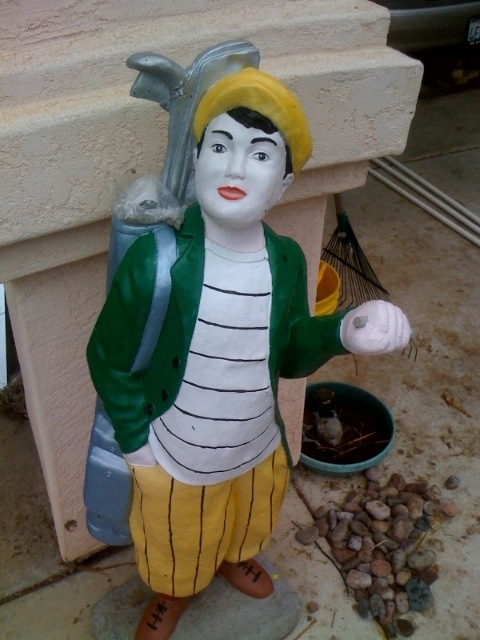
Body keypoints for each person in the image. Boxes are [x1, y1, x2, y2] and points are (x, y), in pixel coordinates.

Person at [87, 67, 411, 640]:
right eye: (220, 146)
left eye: (260, 155)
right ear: (196, 161)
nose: (235, 168)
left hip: (257, 442)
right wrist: (139, 449)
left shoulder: (284, 260)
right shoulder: (158, 261)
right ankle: (174, 592)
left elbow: (288, 353)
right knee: (176, 539)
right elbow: (107, 358)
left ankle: (234, 557)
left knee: (250, 515)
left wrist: (342, 332)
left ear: (283, 183)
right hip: (178, 452)